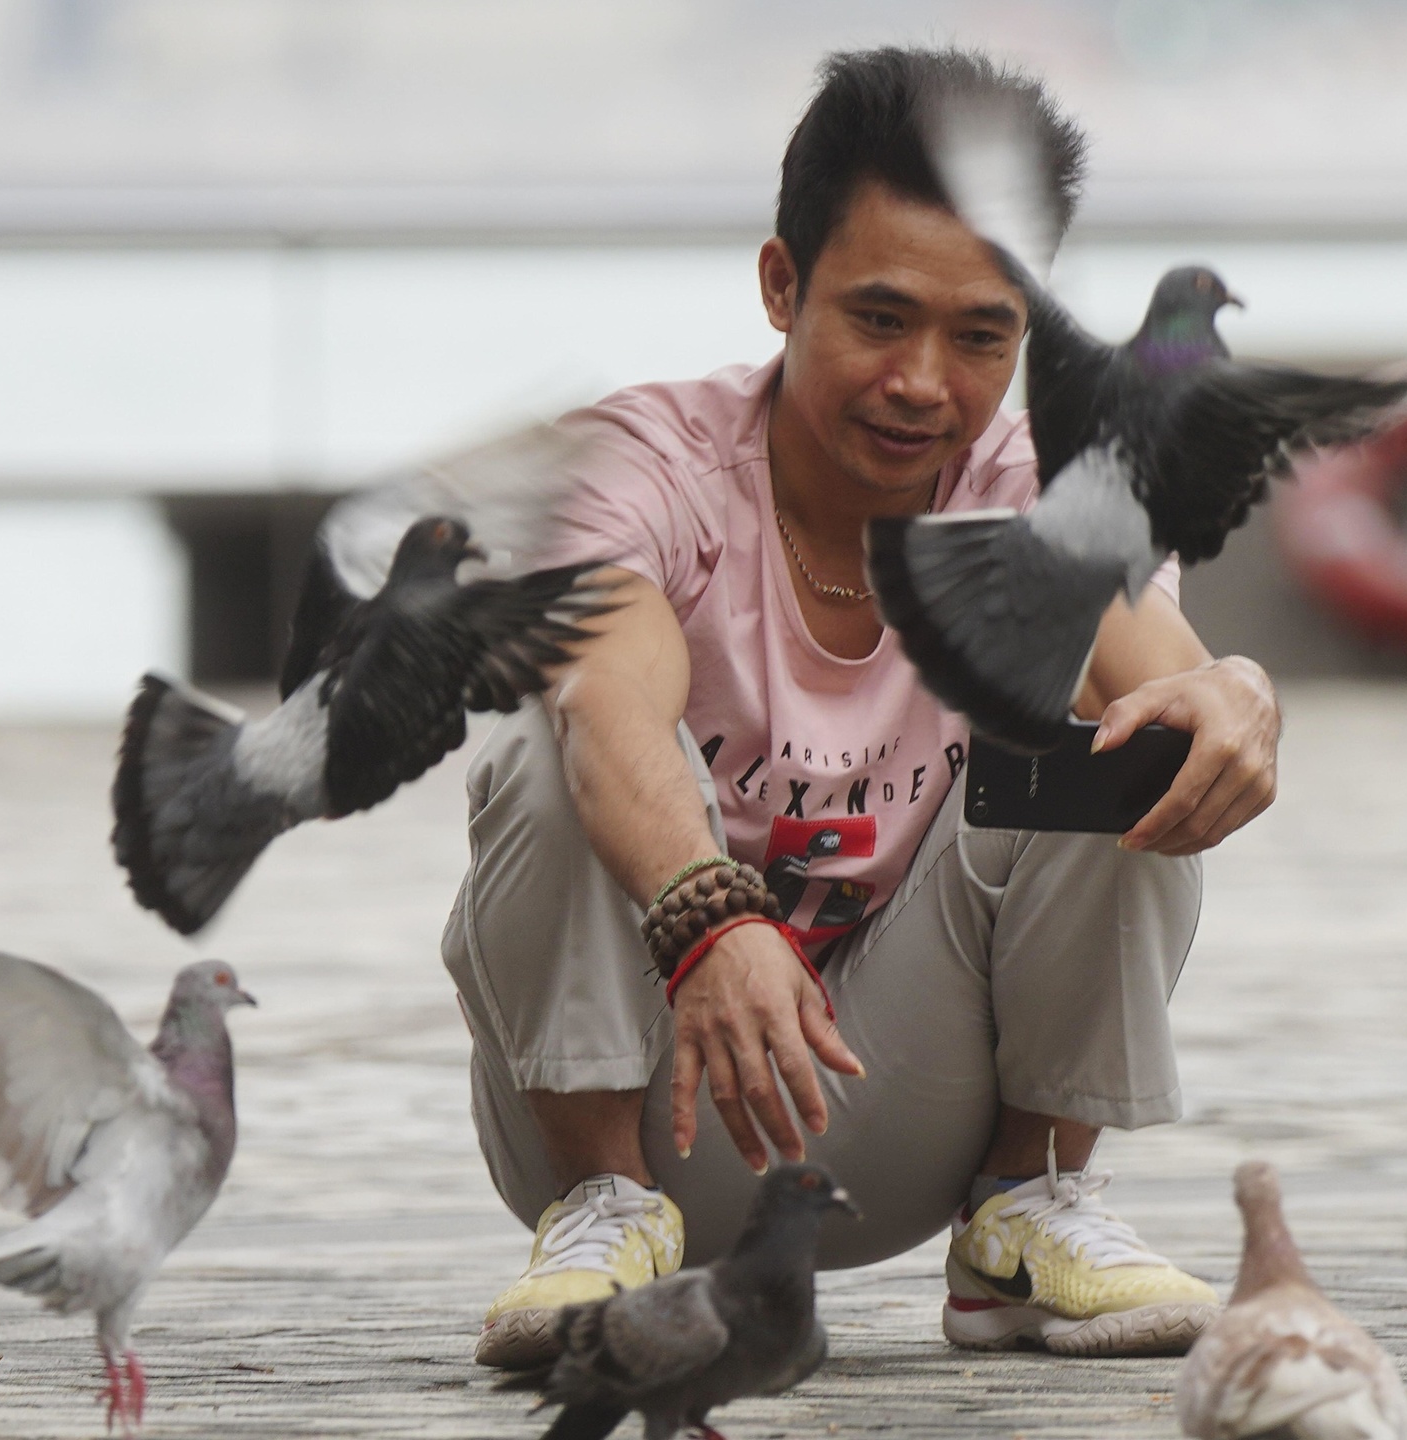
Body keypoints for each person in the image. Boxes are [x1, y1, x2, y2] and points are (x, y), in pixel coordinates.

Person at [441, 46, 1283, 1370]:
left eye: (982, 335)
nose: (925, 385)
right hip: (645, 1100)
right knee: (542, 748)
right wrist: (710, 917)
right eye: (881, 320)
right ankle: (600, 1215)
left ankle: (1026, 1211)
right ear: (783, 285)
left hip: (900, 1107)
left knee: (1131, 735)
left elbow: (1157, 661)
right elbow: (610, 698)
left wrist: (1235, 695)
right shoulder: (637, 464)